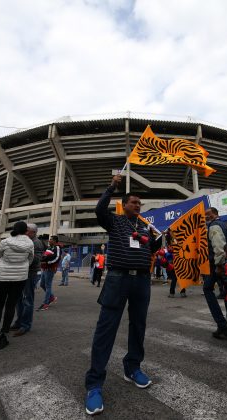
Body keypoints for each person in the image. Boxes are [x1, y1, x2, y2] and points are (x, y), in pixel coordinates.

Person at [84, 174, 161, 416]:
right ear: (124, 204)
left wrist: (161, 240)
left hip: (142, 280)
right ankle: (94, 384)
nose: (138, 206)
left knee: (138, 325)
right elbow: (98, 209)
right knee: (106, 328)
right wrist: (112, 186)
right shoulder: (114, 221)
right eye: (134, 202)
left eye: (140, 203)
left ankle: (132, 367)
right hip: (118, 279)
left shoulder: (145, 227)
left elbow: (152, 248)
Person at [0, 221, 34, 352]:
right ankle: (3, 335)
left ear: (14, 229)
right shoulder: (30, 243)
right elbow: (30, 259)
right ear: (25, 230)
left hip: (2, 276)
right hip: (19, 277)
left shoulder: (5, 242)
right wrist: (21, 266)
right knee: (11, 306)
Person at [12, 223, 44, 336]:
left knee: (27, 300)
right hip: (21, 273)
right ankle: (19, 321)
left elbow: (36, 260)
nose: (25, 232)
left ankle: (25, 325)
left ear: (34, 232)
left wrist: (21, 258)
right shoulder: (26, 241)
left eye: (27, 231)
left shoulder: (36, 243)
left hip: (29, 274)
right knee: (18, 299)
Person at [204, 207, 227, 338]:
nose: (206, 217)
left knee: (208, 289)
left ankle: (223, 324)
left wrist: (219, 265)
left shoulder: (214, 226)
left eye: (208, 215)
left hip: (218, 264)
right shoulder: (224, 224)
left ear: (215, 214)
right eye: (205, 215)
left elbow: (219, 247)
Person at [37, 235, 61, 311]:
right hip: (45, 268)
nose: (49, 241)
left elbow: (57, 258)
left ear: (54, 241)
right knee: (42, 284)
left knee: (48, 286)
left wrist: (48, 262)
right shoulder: (49, 247)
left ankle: (45, 304)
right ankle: (52, 297)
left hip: (50, 269)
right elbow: (45, 255)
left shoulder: (57, 247)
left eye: (51, 239)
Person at [164, 234, 185, 298]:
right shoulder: (178, 242)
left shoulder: (170, 243)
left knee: (174, 279)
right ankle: (182, 292)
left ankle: (172, 293)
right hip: (178, 262)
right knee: (180, 278)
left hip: (174, 262)